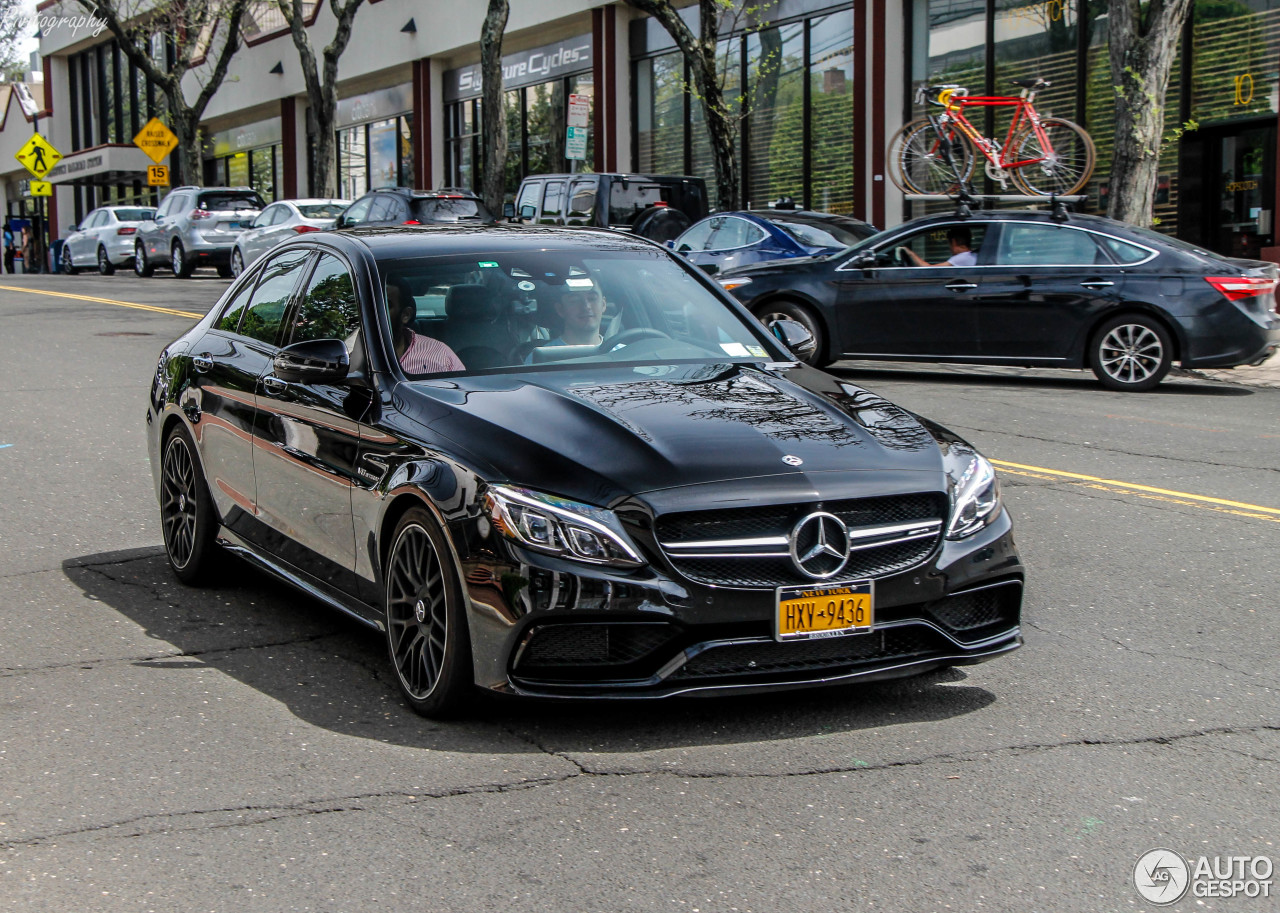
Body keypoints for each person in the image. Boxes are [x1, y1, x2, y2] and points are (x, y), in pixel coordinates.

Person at [385, 275, 465, 373]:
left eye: (386, 305)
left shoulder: (440, 355)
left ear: (406, 315)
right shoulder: (361, 355)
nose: (373, 311)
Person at [903, 226, 976, 267]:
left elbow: (929, 269)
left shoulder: (961, 258)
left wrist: (910, 253)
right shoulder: (973, 255)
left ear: (953, 242)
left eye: (949, 244)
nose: (950, 249)